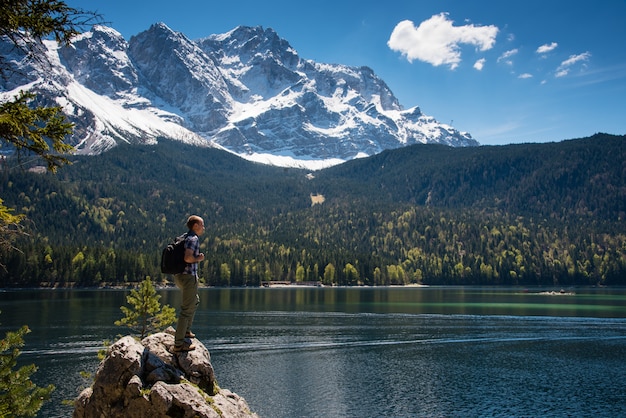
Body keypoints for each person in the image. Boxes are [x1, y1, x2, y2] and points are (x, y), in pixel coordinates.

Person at [172, 215, 205, 352]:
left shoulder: (184, 237)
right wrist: (199, 258)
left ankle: (186, 331)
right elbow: (188, 257)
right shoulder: (193, 239)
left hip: (179, 276)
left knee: (195, 301)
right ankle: (179, 344)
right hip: (188, 277)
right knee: (186, 310)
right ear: (195, 226)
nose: (204, 228)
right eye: (202, 225)